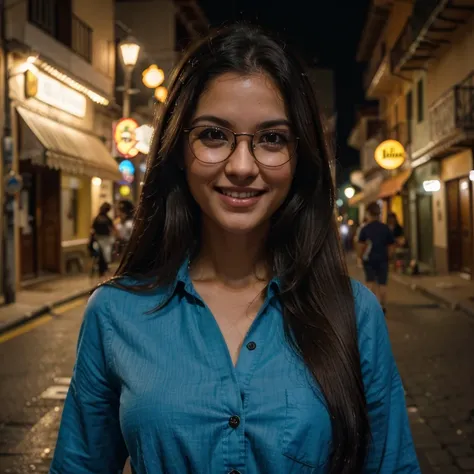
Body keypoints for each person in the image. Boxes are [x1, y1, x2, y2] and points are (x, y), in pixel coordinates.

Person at [50, 24, 420, 474]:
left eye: (272, 139)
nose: (242, 166)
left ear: (300, 157)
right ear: (178, 150)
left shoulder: (355, 314)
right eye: (213, 135)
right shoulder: (114, 313)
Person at [358, 202, 395, 313]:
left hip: (369, 260)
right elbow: (391, 246)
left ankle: (372, 306)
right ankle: (383, 306)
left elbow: (361, 246)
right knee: (382, 284)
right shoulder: (385, 228)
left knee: (370, 282)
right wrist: (389, 257)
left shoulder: (365, 229)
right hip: (383, 259)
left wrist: (360, 257)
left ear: (368, 213)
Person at [91, 202, 115, 276]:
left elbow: (93, 228)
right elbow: (112, 228)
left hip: (98, 238)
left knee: (102, 254)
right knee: (106, 253)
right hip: (105, 239)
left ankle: (103, 269)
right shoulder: (107, 219)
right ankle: (105, 268)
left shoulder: (97, 218)